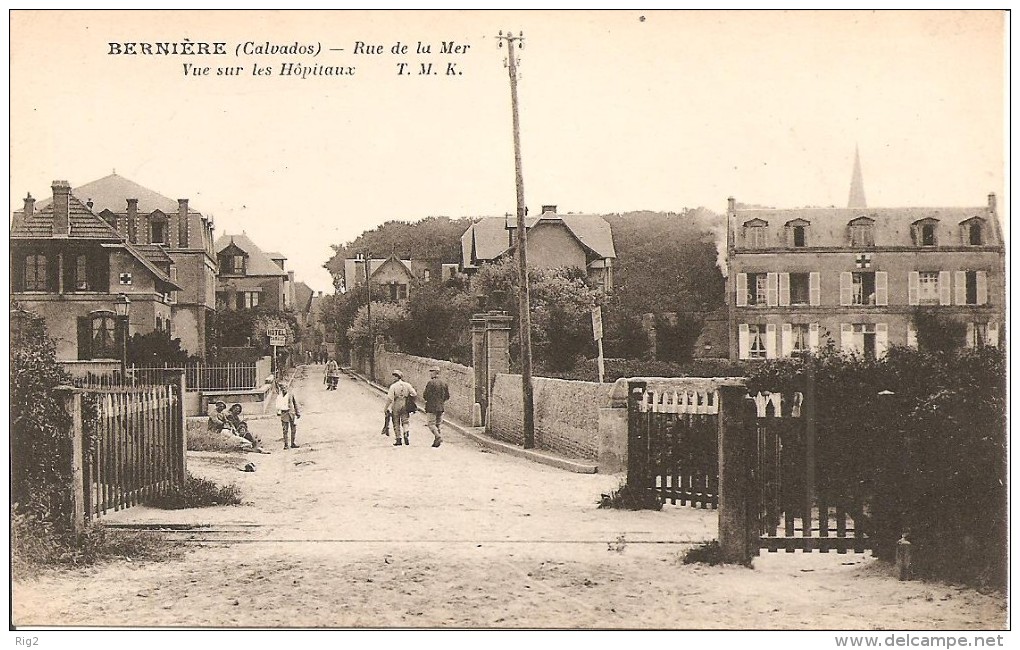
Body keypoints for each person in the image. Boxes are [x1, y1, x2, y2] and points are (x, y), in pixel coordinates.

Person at [385, 370, 416, 447]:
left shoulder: (393, 386)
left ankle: (398, 439)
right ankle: (406, 431)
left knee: (396, 421)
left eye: (394, 376)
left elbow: (390, 398)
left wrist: (386, 408)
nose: (393, 378)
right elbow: (414, 394)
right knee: (405, 420)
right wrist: (410, 400)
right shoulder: (407, 385)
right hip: (405, 403)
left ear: (397, 377)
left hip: (396, 403)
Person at [423, 366, 451, 448]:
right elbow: (447, 396)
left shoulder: (430, 383)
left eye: (431, 372)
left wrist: (430, 401)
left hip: (431, 407)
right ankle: (436, 442)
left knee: (431, 424)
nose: (430, 374)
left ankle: (438, 437)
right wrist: (441, 401)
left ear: (435, 373)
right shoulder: (444, 383)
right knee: (438, 424)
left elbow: (425, 395)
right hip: (441, 407)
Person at [276, 382, 301, 449]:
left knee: (293, 429)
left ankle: (293, 443)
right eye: (282, 388)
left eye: (285, 387)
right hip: (284, 414)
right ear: (280, 389)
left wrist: (297, 412)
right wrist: (278, 412)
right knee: (285, 430)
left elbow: (295, 404)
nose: (284, 389)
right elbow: (278, 406)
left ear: (287, 388)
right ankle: (286, 445)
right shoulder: (279, 396)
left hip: (291, 413)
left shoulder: (291, 395)